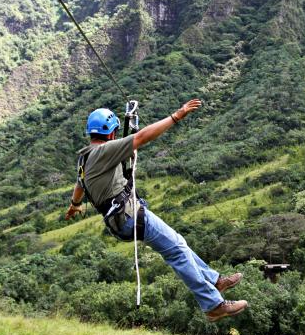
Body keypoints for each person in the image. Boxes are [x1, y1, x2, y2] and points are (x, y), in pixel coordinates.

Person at [65, 99, 248, 322]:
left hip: (121, 220)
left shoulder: (84, 157)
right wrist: (177, 115)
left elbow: (79, 185)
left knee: (179, 244)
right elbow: (142, 137)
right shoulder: (105, 151)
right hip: (131, 217)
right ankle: (213, 305)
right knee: (177, 252)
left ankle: (215, 280)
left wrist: (74, 205)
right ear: (111, 133)